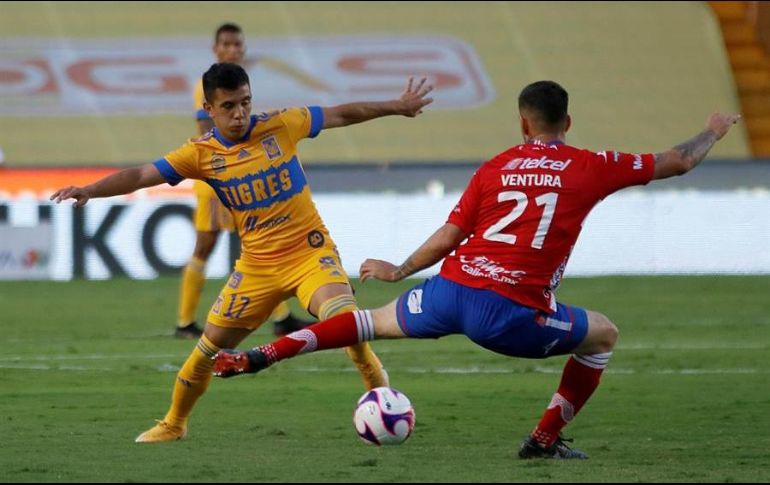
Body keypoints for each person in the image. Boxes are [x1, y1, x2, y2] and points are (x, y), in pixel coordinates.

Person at [211, 80, 741, 459]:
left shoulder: (496, 166)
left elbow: (450, 235)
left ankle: (264, 353)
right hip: (509, 314)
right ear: (568, 123)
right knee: (602, 335)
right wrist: (712, 130)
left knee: (369, 321)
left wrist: (400, 268)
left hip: (450, 289)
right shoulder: (591, 165)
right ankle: (543, 441)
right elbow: (678, 161)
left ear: (522, 123)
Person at [51, 64, 434, 442]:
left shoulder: (282, 124)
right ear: (210, 109)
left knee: (348, 326)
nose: (240, 114)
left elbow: (341, 113)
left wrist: (396, 106)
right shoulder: (200, 154)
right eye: (230, 106)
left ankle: (383, 400)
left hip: (310, 255)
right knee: (207, 349)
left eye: (246, 103)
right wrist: (91, 189)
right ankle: (174, 423)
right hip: (257, 268)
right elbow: (139, 175)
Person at [177, 22, 312, 339]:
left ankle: (280, 316)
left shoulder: (237, 85)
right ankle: (184, 322)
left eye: (237, 44)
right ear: (216, 49)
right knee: (206, 246)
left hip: (237, 180)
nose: (233, 49)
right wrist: (222, 172)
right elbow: (205, 135)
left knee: (253, 242)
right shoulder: (207, 86)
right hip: (219, 182)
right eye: (226, 44)